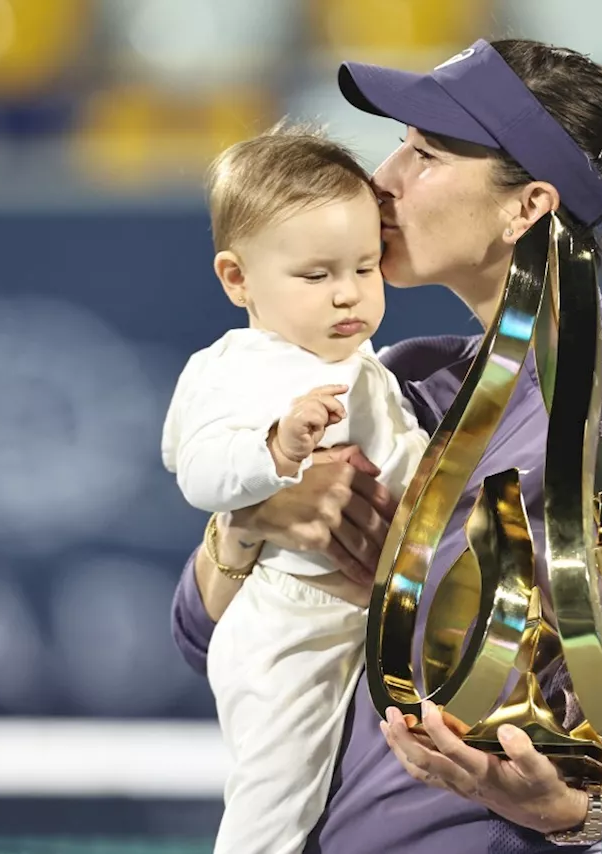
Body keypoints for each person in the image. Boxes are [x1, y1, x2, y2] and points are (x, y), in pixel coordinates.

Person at [171, 38, 602, 853]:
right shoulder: (400, 384)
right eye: (398, 144)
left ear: (526, 207)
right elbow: (198, 636)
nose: (382, 179)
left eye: (425, 153)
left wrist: (587, 805)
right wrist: (250, 524)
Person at [160, 125, 430, 854]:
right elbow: (197, 467)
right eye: (316, 276)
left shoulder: (368, 362)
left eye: (366, 268)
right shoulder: (238, 367)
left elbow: (407, 460)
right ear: (237, 278)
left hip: (370, 620)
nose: (348, 294)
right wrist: (275, 453)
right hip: (289, 623)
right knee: (276, 798)